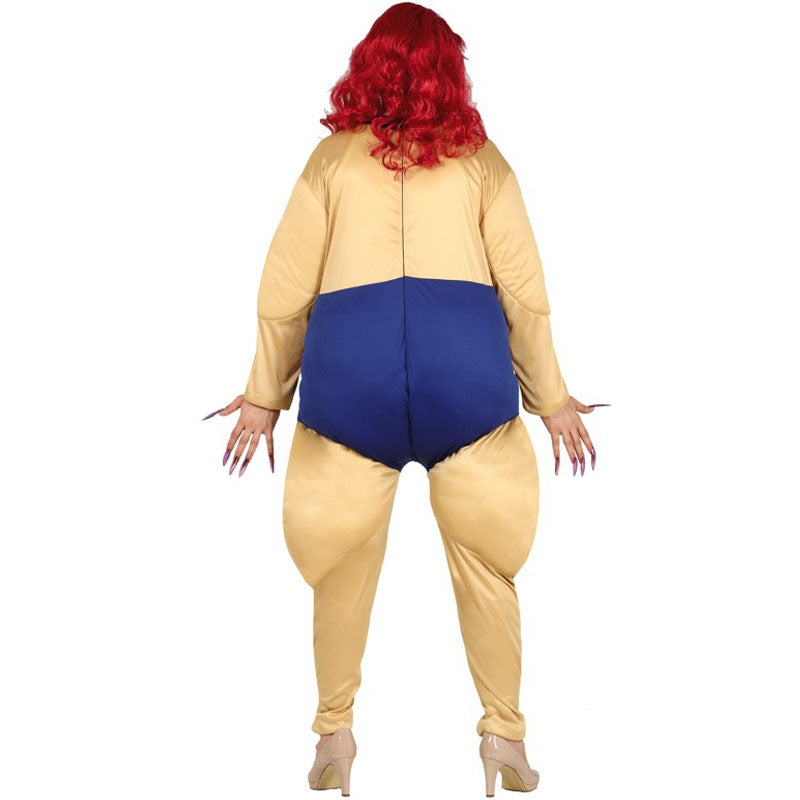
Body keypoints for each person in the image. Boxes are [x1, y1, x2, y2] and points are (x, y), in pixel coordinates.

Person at [204, 3, 606, 795]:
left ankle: (334, 735)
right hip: (468, 383)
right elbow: (524, 294)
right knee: (487, 569)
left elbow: (285, 292)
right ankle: (505, 740)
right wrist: (552, 398)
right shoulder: (482, 162)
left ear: (367, 66)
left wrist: (263, 397)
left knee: (340, 567)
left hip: (349, 386)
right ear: (451, 70)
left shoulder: (331, 162)